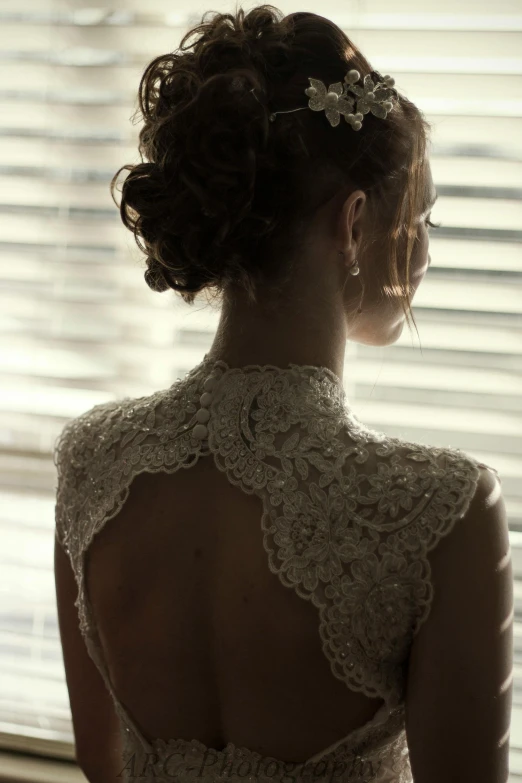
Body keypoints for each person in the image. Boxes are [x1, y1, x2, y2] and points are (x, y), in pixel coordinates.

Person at [53, 5, 513, 782]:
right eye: (423, 215)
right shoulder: (446, 513)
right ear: (356, 222)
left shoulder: (92, 466)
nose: (426, 247)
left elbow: (104, 771)